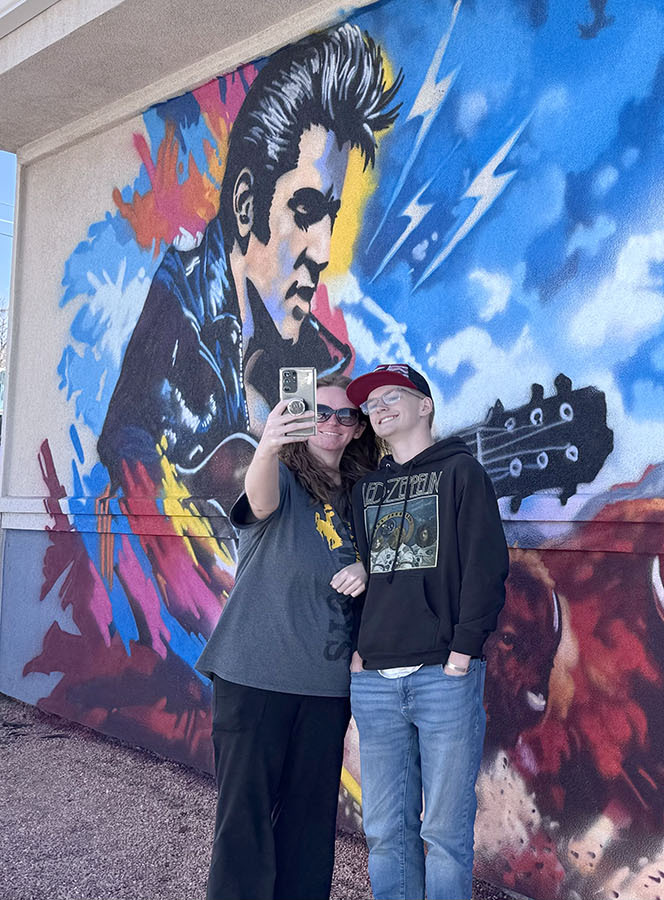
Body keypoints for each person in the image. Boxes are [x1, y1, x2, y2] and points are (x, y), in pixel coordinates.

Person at [98, 23, 401, 491]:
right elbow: (133, 479)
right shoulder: (181, 312)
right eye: (305, 210)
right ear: (245, 206)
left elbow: (306, 481)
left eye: (330, 219)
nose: (321, 252)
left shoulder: (303, 355)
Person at [195, 374, 380, 900]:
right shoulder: (282, 476)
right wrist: (269, 442)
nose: (332, 423)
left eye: (345, 416)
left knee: (308, 831)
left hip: (325, 689)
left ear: (357, 428)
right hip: (254, 678)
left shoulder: (365, 500)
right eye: (319, 412)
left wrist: (369, 567)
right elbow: (260, 497)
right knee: (244, 826)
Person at [346, 363, 510, 900]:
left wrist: (462, 653)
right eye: (372, 404)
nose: (381, 407)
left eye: (395, 395)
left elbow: (486, 568)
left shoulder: (462, 474)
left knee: (443, 833)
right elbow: (367, 573)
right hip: (374, 680)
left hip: (443, 674)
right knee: (385, 831)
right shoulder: (365, 491)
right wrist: (357, 653)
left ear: (425, 406)